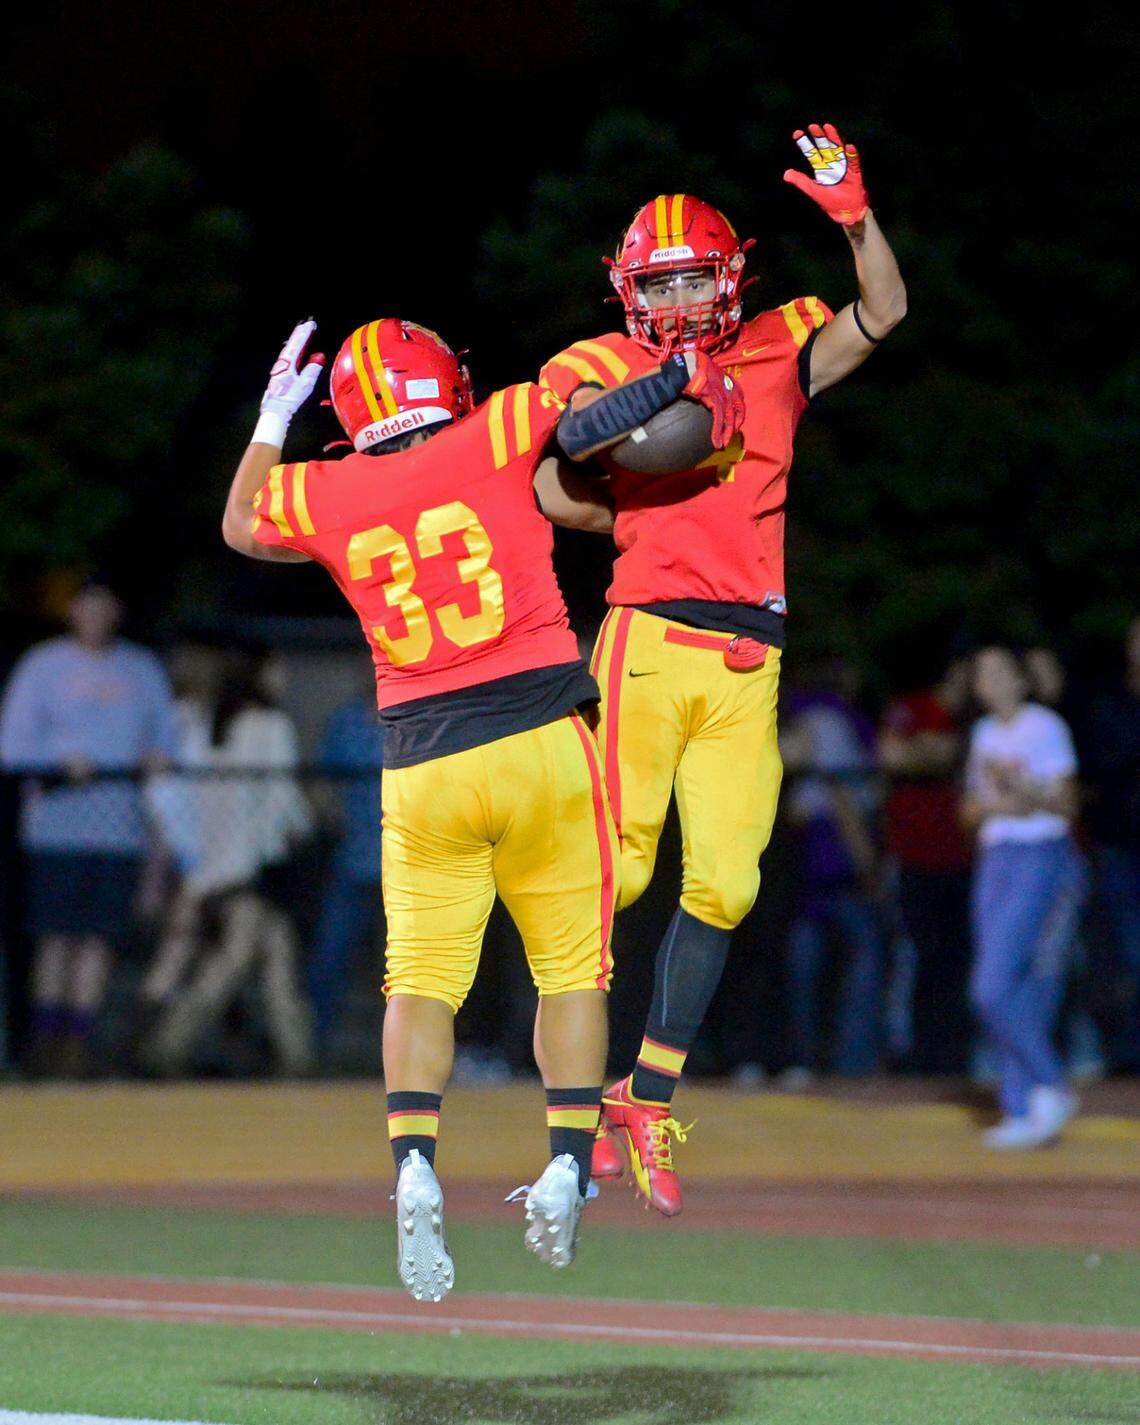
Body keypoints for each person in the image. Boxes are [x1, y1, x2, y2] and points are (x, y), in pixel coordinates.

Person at [220, 318, 714, 1298]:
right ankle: (568, 1161)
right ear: (445, 383)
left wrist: (275, 413)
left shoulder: (326, 489)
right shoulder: (489, 431)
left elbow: (240, 525)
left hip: (424, 763)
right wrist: (677, 374)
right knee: (573, 969)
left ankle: (413, 1162)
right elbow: (585, 428)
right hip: (538, 739)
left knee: (421, 980)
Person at [539, 123, 907, 1213]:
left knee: (732, 882)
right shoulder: (601, 365)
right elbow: (554, 477)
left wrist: (854, 220)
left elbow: (883, 312)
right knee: (624, 868)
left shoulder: (777, 342)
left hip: (754, 650)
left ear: (731, 275)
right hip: (648, 634)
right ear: (626, 287)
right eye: (661, 281)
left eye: (698, 275)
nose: (683, 296)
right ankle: (566, 1107)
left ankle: (643, 1099)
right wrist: (627, 492)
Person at [0, 579, 178, 1077]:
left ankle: (79, 1044)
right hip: (56, 828)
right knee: (56, 936)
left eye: (105, 607)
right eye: (87, 607)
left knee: (99, 939)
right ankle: (44, 1043)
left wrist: (157, 759)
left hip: (120, 828)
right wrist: (60, 763)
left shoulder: (141, 669)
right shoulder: (42, 666)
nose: (96, 616)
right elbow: (13, 745)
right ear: (73, 612)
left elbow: (166, 742)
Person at [135, 652, 315, 1076]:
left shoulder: (207, 726)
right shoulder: (270, 725)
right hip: (253, 868)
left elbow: (178, 799)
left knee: (277, 958)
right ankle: (164, 1046)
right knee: (233, 961)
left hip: (212, 867)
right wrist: (303, 829)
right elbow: (280, 800)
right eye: (275, 667)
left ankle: (298, 1059)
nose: (283, 676)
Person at [962, 647, 1085, 1149]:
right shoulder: (983, 734)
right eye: (979, 675)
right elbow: (971, 810)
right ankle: (1022, 1106)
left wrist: (1013, 791)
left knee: (995, 986)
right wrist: (1007, 800)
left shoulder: (1045, 727)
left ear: (1019, 679)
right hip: (996, 858)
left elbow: (1065, 801)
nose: (986, 683)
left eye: (996, 672)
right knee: (1005, 983)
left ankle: (1051, 1082)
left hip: (1040, 853)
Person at [781, 664, 885, 1082]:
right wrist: (866, 861)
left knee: (805, 968)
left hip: (801, 863)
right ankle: (849, 1061)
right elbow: (841, 795)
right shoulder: (832, 720)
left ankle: (804, 1059)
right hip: (831, 860)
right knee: (861, 959)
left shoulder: (790, 713)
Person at [878, 656, 973, 1073]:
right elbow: (892, 756)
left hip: (966, 857)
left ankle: (953, 1055)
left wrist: (932, 751)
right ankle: (913, 1054)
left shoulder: (977, 718)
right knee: (916, 956)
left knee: (960, 960)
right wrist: (944, 752)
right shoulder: (914, 707)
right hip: (915, 856)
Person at [307, 678, 385, 1067]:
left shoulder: (415, 717)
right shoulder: (347, 722)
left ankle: (405, 1058)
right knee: (330, 957)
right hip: (354, 862)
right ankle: (314, 1049)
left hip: (409, 868)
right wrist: (331, 819)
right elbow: (320, 781)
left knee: (411, 970)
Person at [1078, 617, 1140, 1068]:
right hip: (1119, 844)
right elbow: (1102, 763)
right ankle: (1123, 1059)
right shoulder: (1110, 701)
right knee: (1124, 954)